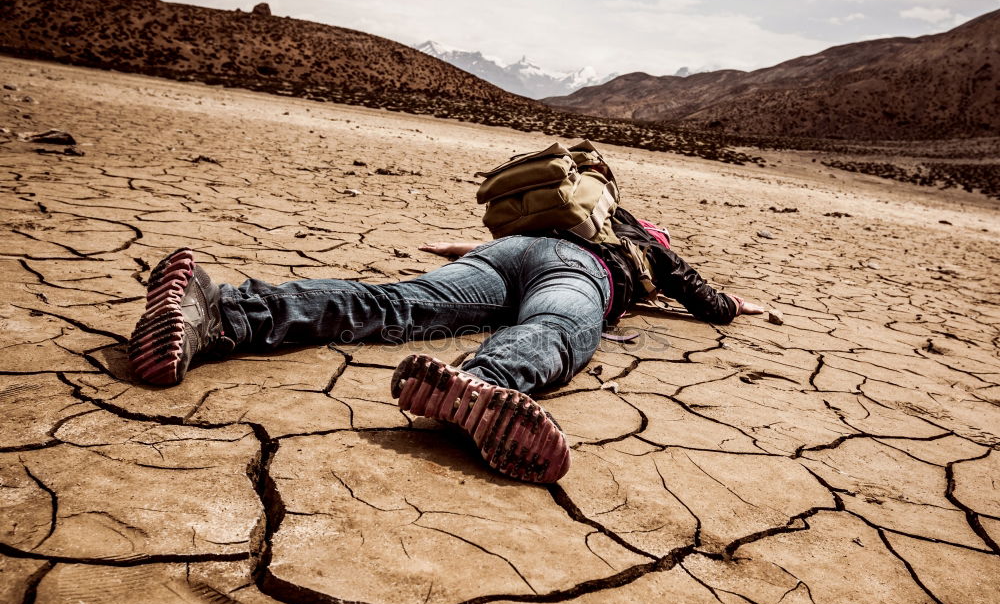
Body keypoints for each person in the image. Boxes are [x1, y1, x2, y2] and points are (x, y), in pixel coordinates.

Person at [127, 214, 763, 485]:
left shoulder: (558, 219)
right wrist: (736, 306)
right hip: (575, 274)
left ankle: (218, 310)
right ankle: (484, 383)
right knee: (562, 326)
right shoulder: (640, 242)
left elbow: (493, 250)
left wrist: (459, 252)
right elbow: (704, 299)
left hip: (501, 255)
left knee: (397, 306)